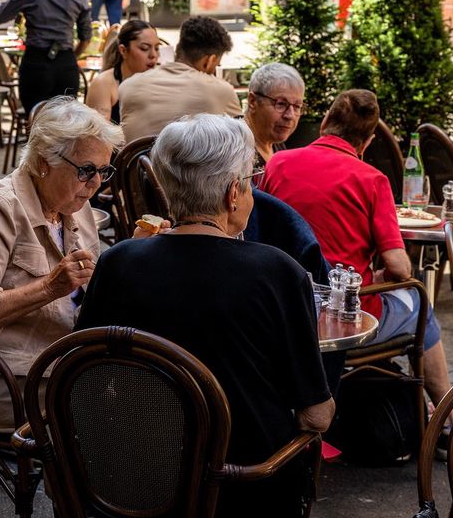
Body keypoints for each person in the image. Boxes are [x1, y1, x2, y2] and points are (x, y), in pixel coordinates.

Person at [77, 114, 333, 515]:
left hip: (132, 482)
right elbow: (315, 415)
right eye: (250, 181)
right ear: (233, 193)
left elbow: (84, 379)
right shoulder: (278, 272)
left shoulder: (117, 262)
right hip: (243, 485)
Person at [261, 89, 453, 410]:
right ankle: (448, 412)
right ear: (368, 141)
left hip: (282, 311)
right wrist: (379, 273)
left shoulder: (278, 163)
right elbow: (399, 268)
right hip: (344, 318)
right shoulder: (372, 180)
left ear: (324, 122)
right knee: (419, 302)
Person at [0, 97, 123, 432]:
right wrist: (49, 287)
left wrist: (131, 261)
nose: (96, 184)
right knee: (113, 407)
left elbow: (87, 298)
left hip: (50, 367)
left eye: (104, 171)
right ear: (43, 163)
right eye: (86, 170)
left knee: (142, 385)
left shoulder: (74, 205)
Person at [0, 0, 92, 115]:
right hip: (66, 66)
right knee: (64, 125)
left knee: (35, 121)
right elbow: (86, 38)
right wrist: (71, 56)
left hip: (35, 65)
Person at [118, 15, 241, 142]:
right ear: (209, 61)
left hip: (138, 161)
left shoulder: (128, 86)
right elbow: (243, 141)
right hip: (189, 161)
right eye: (217, 65)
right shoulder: (221, 91)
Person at [86, 19, 160, 124]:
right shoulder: (103, 84)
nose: (153, 55)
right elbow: (99, 135)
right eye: (144, 48)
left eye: (157, 48)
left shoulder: (159, 82)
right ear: (123, 50)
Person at [244, 62, 304, 167]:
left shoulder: (275, 143)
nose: (290, 116)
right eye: (281, 104)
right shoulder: (232, 148)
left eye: (297, 106)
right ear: (253, 101)